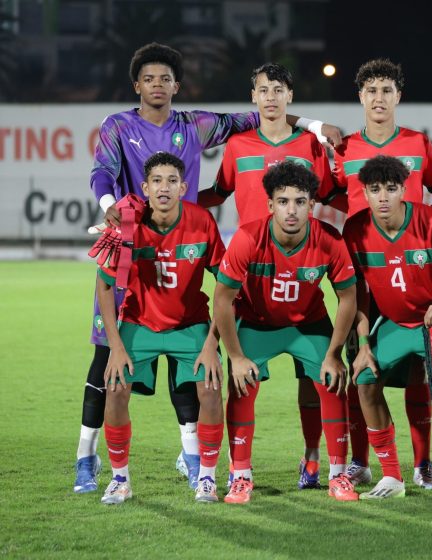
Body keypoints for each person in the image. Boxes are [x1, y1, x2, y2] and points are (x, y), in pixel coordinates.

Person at [76, 42, 338, 494]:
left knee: (193, 362)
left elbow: (260, 115)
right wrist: (110, 207)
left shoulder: (195, 125)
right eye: (149, 78)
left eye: (166, 78)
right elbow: (101, 173)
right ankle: (87, 456)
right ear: (137, 85)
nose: (157, 85)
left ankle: (194, 456)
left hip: (185, 243)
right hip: (131, 248)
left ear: (177, 85)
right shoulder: (117, 125)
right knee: (107, 360)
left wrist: (312, 124)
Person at [198, 62, 341, 490]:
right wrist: (162, 204)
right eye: (263, 90)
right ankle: (238, 471)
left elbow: (335, 195)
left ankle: (313, 459)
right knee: (242, 382)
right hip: (252, 279)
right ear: (254, 97)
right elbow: (217, 194)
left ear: (290, 97)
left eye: (279, 89)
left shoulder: (311, 145)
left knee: (314, 380)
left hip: (303, 279)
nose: (272, 97)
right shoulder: (238, 145)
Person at [343, 156, 432, 502]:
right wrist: (363, 342)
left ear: (404, 191)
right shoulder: (355, 229)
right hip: (397, 323)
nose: (382, 198)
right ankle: (391, 476)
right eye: (374, 190)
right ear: (364, 192)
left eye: (390, 189)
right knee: (363, 379)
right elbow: (357, 290)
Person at [214, 161, 358, 503]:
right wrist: (235, 357)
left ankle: (337, 475)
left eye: (299, 201)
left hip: (308, 323)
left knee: (334, 381)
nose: (291, 210)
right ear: (270, 205)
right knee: (241, 384)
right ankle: (240, 476)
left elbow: (348, 298)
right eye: (282, 201)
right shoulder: (249, 238)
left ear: (312, 205)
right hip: (258, 323)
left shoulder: (329, 239)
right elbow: (222, 300)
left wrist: (334, 353)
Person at [332, 59, 432, 489]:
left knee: (418, 368)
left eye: (386, 90)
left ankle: (422, 464)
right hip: (363, 271)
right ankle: (361, 461)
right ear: (360, 97)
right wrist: (363, 233)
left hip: (414, 272)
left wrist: (423, 239)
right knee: (359, 364)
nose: (378, 98)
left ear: (398, 96)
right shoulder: (345, 150)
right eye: (371, 90)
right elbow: (326, 197)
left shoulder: (417, 143)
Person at [97, 153, 226, 504]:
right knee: (116, 387)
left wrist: (212, 343)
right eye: (157, 180)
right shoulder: (128, 227)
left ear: (183, 187)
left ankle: (208, 478)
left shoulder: (202, 221)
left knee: (211, 388)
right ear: (145, 187)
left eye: (172, 180)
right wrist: (115, 346)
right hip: (139, 323)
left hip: (192, 324)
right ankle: (120, 479)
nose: (164, 187)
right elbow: (105, 285)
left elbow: (227, 284)